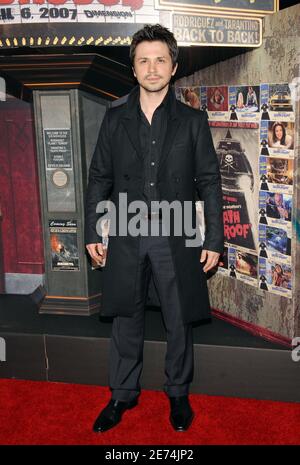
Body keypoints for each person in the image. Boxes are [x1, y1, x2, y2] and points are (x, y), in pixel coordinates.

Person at [85, 24, 223, 434]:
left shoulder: (193, 121)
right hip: (126, 231)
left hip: (176, 232)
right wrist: (94, 231)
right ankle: (122, 395)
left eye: (160, 59)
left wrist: (214, 238)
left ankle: (178, 394)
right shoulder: (114, 119)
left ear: (174, 66)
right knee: (126, 316)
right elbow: (98, 179)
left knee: (178, 317)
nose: (152, 67)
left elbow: (210, 182)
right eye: (143, 60)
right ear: (133, 68)